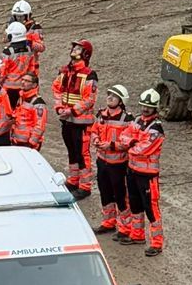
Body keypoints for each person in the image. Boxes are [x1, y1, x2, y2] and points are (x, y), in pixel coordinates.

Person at [52, 40, 98, 195]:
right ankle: (73, 180)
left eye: (78, 48)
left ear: (85, 53)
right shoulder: (64, 71)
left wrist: (71, 110)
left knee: (82, 153)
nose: (74, 50)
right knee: (71, 150)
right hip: (67, 119)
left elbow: (89, 99)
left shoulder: (89, 74)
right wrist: (59, 107)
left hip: (81, 121)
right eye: (74, 47)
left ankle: (85, 187)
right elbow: (57, 89)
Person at [90, 85, 136, 235]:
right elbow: (94, 130)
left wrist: (110, 145)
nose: (109, 98)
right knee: (105, 193)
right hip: (102, 161)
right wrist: (96, 139)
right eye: (109, 95)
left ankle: (125, 228)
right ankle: (108, 222)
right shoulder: (101, 114)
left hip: (118, 164)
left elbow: (129, 141)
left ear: (121, 101)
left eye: (114, 97)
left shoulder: (128, 119)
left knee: (121, 196)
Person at [126, 89, 166, 252]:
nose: (144, 109)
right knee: (135, 205)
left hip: (148, 176)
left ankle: (157, 243)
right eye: (143, 105)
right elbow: (124, 136)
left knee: (151, 209)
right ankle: (137, 235)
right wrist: (132, 142)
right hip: (133, 171)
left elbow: (143, 149)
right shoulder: (137, 121)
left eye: (148, 107)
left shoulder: (157, 128)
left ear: (155, 108)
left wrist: (130, 143)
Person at [8, 1, 45, 89]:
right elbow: (4, 41)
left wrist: (28, 42)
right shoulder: (13, 27)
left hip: (30, 65)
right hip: (15, 63)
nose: (19, 19)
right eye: (17, 16)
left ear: (27, 16)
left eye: (21, 16)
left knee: (30, 90)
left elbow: (41, 47)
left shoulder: (35, 28)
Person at [0, 21, 39, 100]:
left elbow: (2, 72)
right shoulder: (29, 49)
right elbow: (31, 68)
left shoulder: (8, 52)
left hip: (9, 87)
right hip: (24, 86)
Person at [10, 84, 48, 151]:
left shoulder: (38, 104)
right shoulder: (22, 98)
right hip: (17, 140)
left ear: (34, 85)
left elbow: (40, 126)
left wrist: (32, 143)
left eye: (27, 81)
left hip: (28, 144)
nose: (23, 82)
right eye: (23, 80)